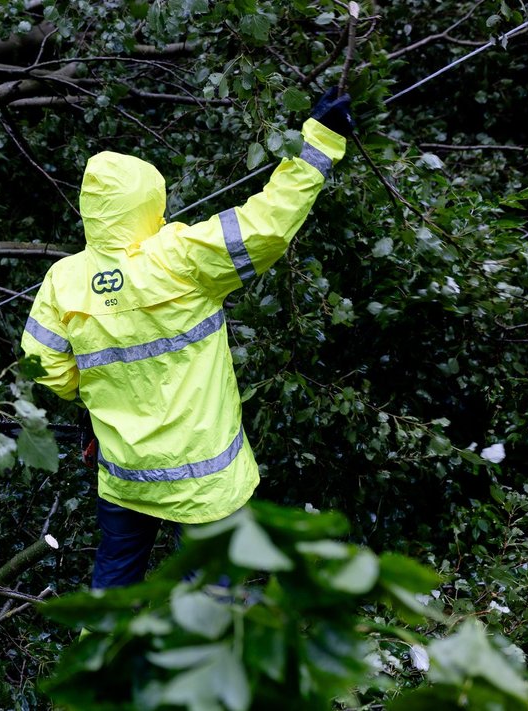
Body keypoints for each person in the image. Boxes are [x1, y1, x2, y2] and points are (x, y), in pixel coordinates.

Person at [19, 90, 354, 589]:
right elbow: (268, 225)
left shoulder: (63, 280)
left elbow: (42, 366)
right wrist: (321, 142)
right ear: (151, 201)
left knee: (112, 591)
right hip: (207, 488)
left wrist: (88, 395)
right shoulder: (181, 257)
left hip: (125, 477)